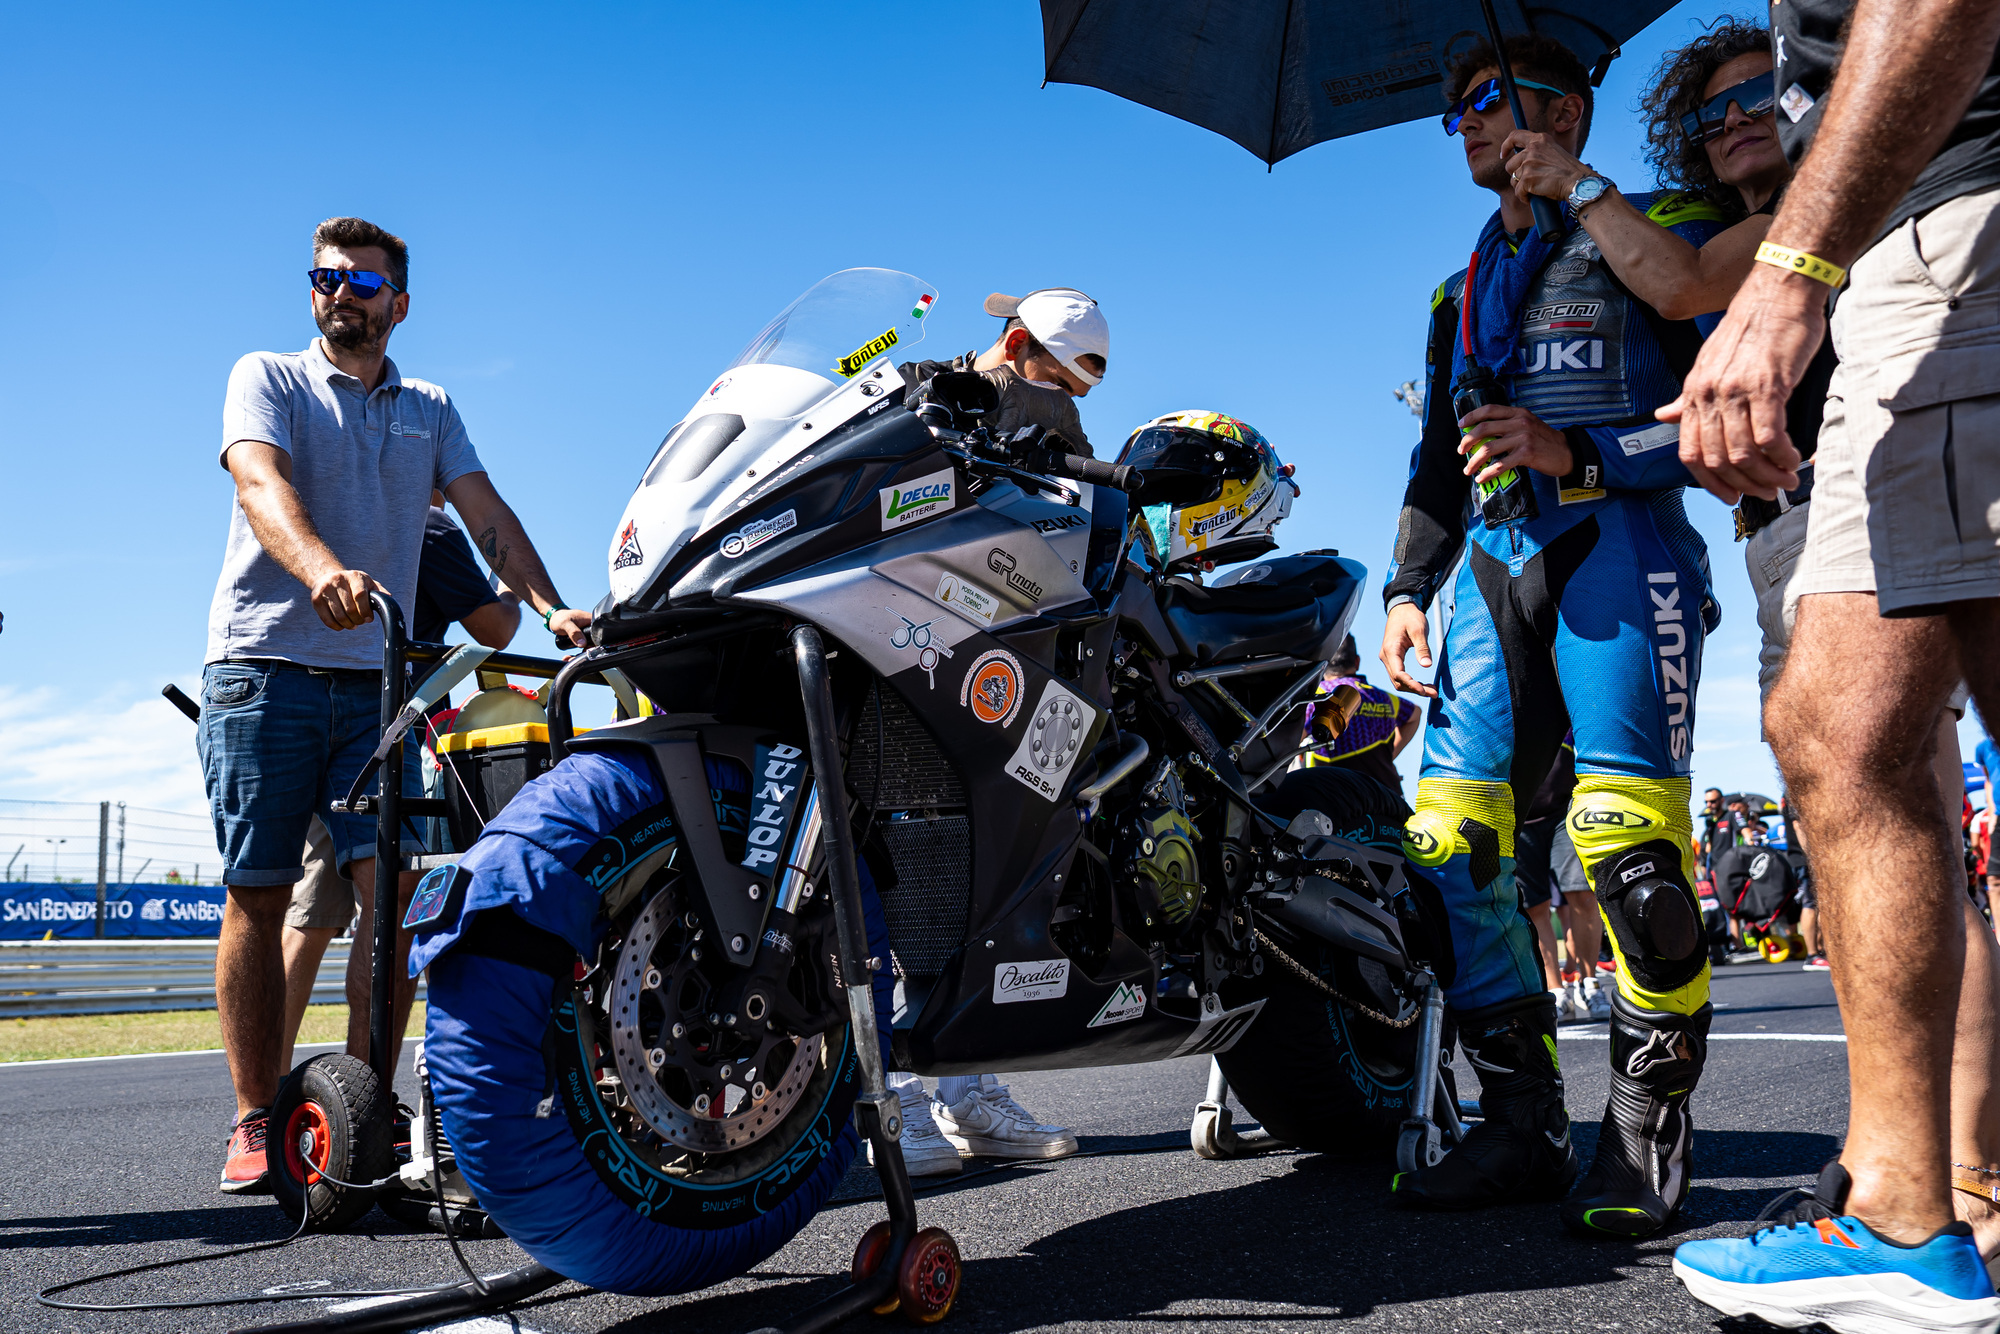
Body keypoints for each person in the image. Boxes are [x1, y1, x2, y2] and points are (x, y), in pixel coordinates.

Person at [1662, 0, 2000, 1325]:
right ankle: (1906, 1217)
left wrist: (1785, 274)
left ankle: (1956, 1182)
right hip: (1891, 288)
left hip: (1956, 237)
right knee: (1835, 731)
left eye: (1751, 99)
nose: (1736, 119)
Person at [1378, 34, 1725, 1237]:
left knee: (1625, 845)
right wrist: (1406, 586)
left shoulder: (1661, 222)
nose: (1464, 123)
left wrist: (1575, 449)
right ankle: (1520, 1123)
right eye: (1452, 111)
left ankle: (1641, 1132)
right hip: (1488, 571)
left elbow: (1720, 408)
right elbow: (1434, 457)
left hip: (1619, 544)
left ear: (1566, 109)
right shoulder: (1455, 287)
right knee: (1448, 846)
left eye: (1486, 98)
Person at [205, 216, 591, 1195]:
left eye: (364, 282)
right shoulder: (268, 376)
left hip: (378, 689)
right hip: (265, 668)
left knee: (394, 903)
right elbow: (259, 482)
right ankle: (255, 1116)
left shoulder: (429, 407)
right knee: (260, 895)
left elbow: (486, 512)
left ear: (399, 304)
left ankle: (363, 1111)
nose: (342, 292)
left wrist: (552, 607)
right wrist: (321, 570)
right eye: (326, 277)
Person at [876, 287, 1109, 1177]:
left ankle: (968, 1091)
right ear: (1016, 347)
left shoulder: (1057, 419)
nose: (1067, 407)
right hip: (904, 645)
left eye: (1078, 395)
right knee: (894, 868)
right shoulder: (913, 387)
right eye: (1058, 381)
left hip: (1004, 657)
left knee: (982, 868)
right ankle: (897, 1096)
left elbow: (1082, 508)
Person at [277, 497, 523, 1076]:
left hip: (317, 710)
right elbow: (493, 629)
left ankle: (265, 1099)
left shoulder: (340, 514)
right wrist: (512, 594)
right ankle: (368, 1099)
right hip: (386, 733)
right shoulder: (428, 523)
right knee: (395, 898)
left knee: (309, 916)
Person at [899, 289, 1109, 454]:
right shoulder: (915, 381)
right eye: (1056, 385)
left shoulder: (1049, 441)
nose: (1058, 404)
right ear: (1016, 344)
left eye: (1071, 398)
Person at [1299, 634, 1421, 797]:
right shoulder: (1384, 699)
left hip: (1337, 800)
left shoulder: (1315, 699)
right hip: (1388, 798)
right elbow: (1415, 713)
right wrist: (1389, 758)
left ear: (1322, 663)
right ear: (1357, 662)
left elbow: (1290, 742)